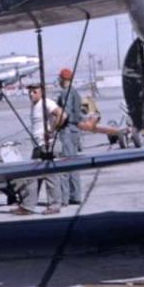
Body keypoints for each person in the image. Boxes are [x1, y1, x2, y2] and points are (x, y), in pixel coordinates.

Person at [13, 84, 63, 215]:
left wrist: (51, 130)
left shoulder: (46, 102)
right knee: (32, 175)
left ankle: (54, 205)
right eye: (29, 92)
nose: (31, 94)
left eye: (34, 91)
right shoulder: (35, 105)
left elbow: (61, 115)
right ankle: (28, 206)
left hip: (48, 145)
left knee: (51, 176)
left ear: (42, 92)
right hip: (38, 146)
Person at [54, 68, 84, 205]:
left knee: (65, 165)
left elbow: (64, 115)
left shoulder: (65, 93)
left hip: (67, 130)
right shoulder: (75, 93)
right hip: (75, 130)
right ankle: (76, 195)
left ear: (62, 79)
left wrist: (54, 127)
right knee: (74, 164)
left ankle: (65, 198)